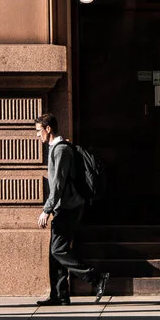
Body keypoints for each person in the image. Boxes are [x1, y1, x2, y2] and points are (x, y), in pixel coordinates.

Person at [33, 112, 107, 305]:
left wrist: (46, 209)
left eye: (39, 131)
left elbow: (57, 184)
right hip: (65, 207)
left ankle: (95, 277)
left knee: (58, 250)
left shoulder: (60, 150)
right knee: (55, 252)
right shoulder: (57, 148)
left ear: (48, 129)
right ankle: (60, 295)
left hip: (69, 207)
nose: (37, 135)